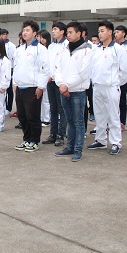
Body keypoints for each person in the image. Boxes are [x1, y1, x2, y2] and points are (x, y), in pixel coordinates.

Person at [87, 21, 127, 155]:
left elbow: (125, 70)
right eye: (99, 31)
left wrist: (116, 82)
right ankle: (100, 140)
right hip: (97, 86)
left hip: (111, 87)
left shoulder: (118, 49)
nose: (100, 34)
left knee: (113, 115)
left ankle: (116, 142)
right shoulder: (96, 49)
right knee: (99, 115)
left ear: (110, 32)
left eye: (102, 31)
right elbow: (91, 67)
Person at [54, 22, 94, 162]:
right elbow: (57, 68)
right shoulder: (65, 49)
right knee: (69, 121)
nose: (68, 35)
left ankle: (77, 150)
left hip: (77, 91)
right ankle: (69, 147)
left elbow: (83, 73)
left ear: (79, 33)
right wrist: (61, 84)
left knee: (78, 122)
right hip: (64, 90)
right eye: (67, 32)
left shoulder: (87, 51)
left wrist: (67, 85)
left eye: (71, 32)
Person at [13, 20, 49, 153]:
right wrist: (15, 83)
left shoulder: (40, 49)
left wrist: (40, 86)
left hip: (33, 87)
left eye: (27, 30)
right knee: (22, 116)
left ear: (34, 33)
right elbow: (16, 67)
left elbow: (44, 69)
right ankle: (26, 139)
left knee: (32, 116)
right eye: (23, 30)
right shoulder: (19, 49)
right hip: (20, 87)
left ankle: (34, 141)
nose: (25, 33)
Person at [42, 22, 68, 147]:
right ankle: (52, 133)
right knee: (53, 108)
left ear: (62, 31)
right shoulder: (51, 46)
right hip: (50, 81)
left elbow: (63, 64)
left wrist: (54, 76)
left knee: (61, 108)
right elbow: (48, 63)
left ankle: (60, 135)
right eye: (52, 29)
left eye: (56, 29)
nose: (53, 31)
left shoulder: (66, 45)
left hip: (60, 81)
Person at [37, 30, 52, 126]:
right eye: (39, 37)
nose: (41, 39)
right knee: (40, 99)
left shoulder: (49, 49)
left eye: (43, 37)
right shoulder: (38, 49)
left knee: (46, 99)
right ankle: (42, 117)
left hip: (47, 76)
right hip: (40, 76)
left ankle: (46, 119)